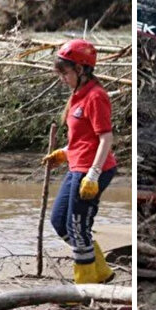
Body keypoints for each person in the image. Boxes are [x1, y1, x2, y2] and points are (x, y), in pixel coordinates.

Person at [42, 39, 119, 284]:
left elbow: (105, 138)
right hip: (77, 166)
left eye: (65, 73)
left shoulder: (96, 96)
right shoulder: (77, 95)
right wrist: (65, 152)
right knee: (60, 221)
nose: (62, 79)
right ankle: (101, 272)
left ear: (81, 69)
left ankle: (85, 286)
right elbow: (84, 137)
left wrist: (93, 174)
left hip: (91, 170)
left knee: (77, 227)